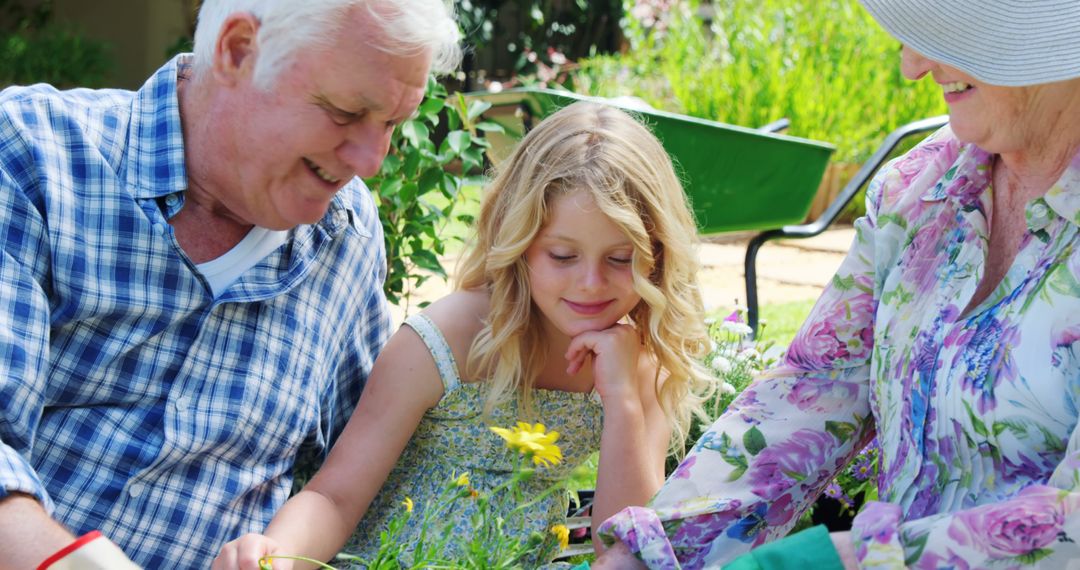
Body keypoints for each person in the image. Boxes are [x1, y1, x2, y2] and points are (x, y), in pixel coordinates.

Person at [592, 0, 1080, 568]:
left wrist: (845, 558)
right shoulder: (917, 191)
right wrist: (652, 548)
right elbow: (808, 392)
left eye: (952, 36)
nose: (913, 65)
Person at [0, 1, 460, 568]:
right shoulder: (33, 154)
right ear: (239, 50)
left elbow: (353, 483)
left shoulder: (349, 235)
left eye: (392, 123)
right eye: (344, 112)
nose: (371, 160)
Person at [212, 100, 715, 569]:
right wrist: (277, 554)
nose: (590, 283)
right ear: (518, 243)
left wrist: (624, 399)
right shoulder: (451, 337)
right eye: (562, 256)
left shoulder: (633, 362)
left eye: (620, 259)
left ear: (657, 255)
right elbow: (335, 496)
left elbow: (621, 549)